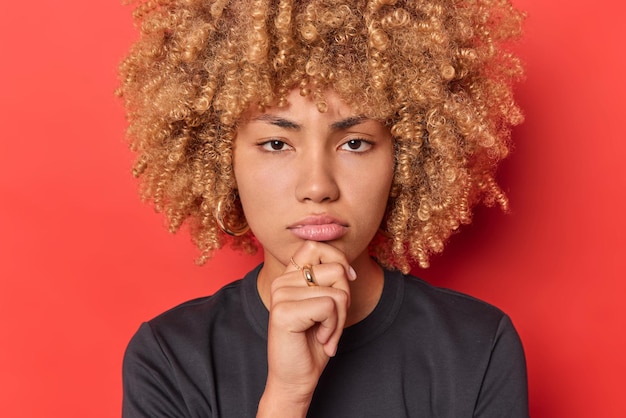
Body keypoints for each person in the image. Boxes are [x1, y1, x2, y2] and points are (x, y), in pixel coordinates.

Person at [117, 0, 528, 416]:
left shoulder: (478, 349)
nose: (317, 187)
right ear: (222, 160)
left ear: (406, 159)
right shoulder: (170, 360)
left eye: (355, 143)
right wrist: (286, 395)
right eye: (276, 144)